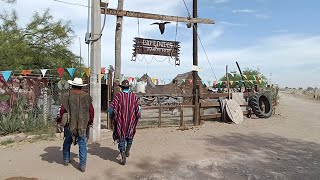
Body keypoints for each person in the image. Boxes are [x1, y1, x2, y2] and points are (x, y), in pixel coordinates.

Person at [56, 77, 94, 172]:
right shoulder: (86, 96)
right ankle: (82, 165)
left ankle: (66, 160)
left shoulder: (66, 95)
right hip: (82, 123)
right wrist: (90, 121)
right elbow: (91, 111)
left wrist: (60, 120)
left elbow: (62, 111)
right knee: (82, 143)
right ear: (81, 87)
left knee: (67, 141)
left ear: (72, 85)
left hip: (70, 124)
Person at [108, 80, 141, 165]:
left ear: (121, 88)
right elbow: (139, 109)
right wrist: (137, 116)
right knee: (130, 135)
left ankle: (123, 155)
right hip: (131, 121)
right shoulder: (134, 96)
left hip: (120, 122)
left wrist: (112, 116)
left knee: (121, 137)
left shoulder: (118, 96)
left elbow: (110, 109)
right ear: (128, 87)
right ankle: (127, 151)